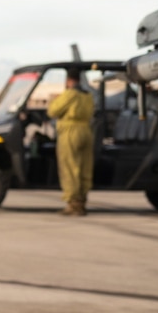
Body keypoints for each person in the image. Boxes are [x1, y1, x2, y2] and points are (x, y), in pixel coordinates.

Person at [48, 74, 95, 215]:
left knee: (70, 167)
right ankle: (82, 201)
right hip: (86, 131)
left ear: (69, 80)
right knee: (85, 167)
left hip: (70, 132)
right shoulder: (88, 95)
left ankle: (73, 204)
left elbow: (53, 110)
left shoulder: (70, 94)